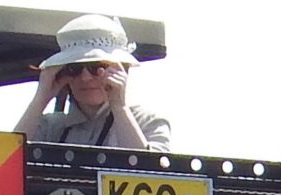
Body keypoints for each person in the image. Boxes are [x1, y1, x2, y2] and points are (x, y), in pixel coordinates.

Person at [15, 14, 169, 149]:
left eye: (96, 67)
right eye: (74, 68)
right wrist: (40, 99)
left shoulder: (148, 123)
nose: (85, 77)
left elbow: (152, 175)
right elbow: (6, 161)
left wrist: (119, 106)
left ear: (123, 70)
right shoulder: (49, 127)